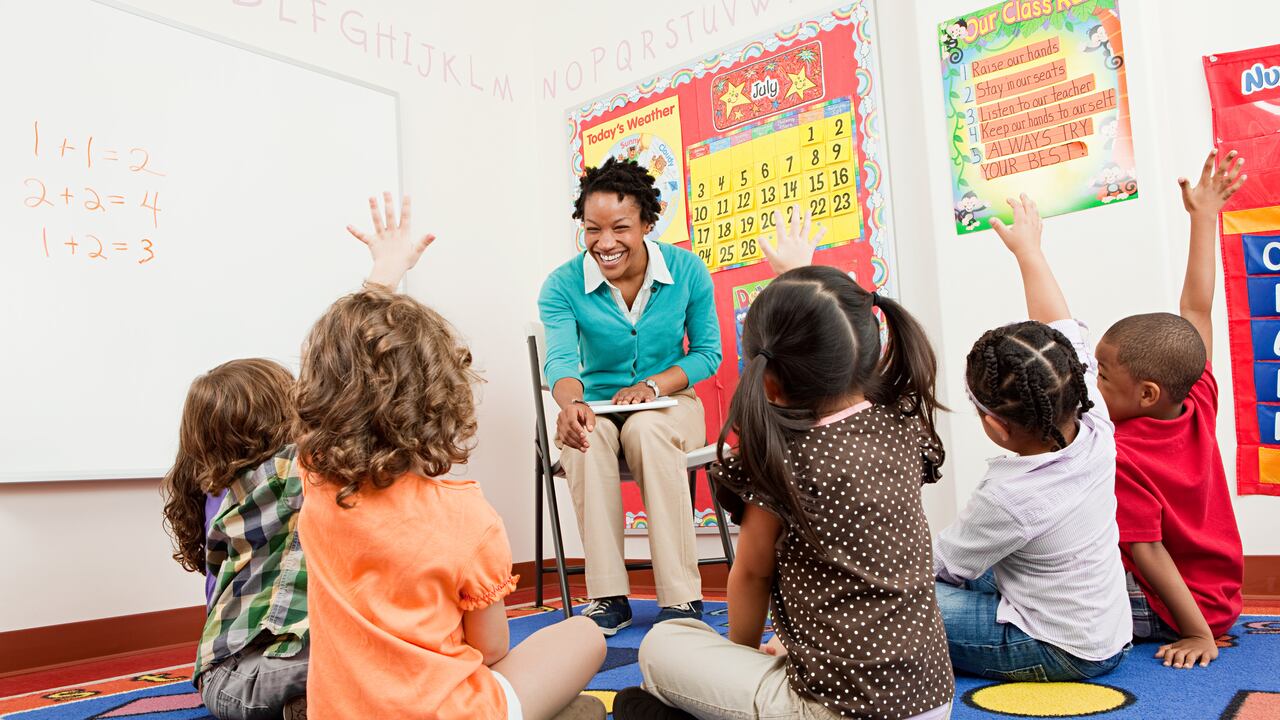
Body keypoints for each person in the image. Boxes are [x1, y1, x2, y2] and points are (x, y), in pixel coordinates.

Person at [614, 208, 954, 720]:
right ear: (869, 349)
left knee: (662, 645)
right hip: (931, 700)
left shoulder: (783, 457)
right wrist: (799, 275)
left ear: (767, 378)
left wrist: (737, 665)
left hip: (836, 708)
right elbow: (829, 329)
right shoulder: (899, 424)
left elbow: (750, 575)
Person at [298, 194, 607, 719]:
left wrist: (383, 275)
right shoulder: (467, 518)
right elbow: (489, 652)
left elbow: (349, 361)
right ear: (443, 397)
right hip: (452, 712)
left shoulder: (319, 486)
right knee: (585, 636)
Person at [933, 194, 1131, 682]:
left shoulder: (1009, 496)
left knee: (900, 594)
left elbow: (944, 565)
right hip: (1106, 628)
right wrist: (1029, 252)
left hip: (1056, 647)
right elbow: (1058, 325)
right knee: (984, 566)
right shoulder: (1091, 415)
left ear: (996, 426)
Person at [538, 157, 722, 634]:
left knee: (648, 426)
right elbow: (558, 360)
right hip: (598, 407)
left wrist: (654, 387)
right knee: (583, 440)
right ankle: (607, 597)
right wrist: (571, 404)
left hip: (671, 405)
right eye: (592, 229)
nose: (605, 242)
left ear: (646, 223)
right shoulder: (562, 284)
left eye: (620, 227)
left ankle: (681, 599)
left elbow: (706, 354)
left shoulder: (686, 270)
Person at [1100, 149, 1247, 668]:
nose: (1093, 385)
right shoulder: (1196, 398)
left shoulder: (1123, 452)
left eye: (1102, 375)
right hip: (1222, 594)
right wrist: (1204, 217)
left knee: (1042, 580)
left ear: (1145, 395)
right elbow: (1196, 310)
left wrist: (1197, 634)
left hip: (1176, 607)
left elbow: (1150, 553)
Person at [160, 359, 308, 720]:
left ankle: (305, 705)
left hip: (234, 675)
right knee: (366, 663)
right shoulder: (292, 476)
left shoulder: (216, 496)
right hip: (251, 669)